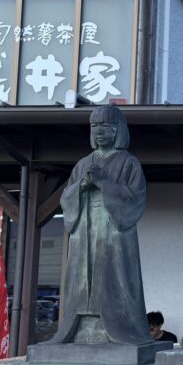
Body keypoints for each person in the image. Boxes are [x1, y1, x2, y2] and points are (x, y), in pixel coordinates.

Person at [50, 105, 152, 346]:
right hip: (84, 228)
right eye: (94, 126)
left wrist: (103, 183)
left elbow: (136, 198)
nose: (99, 131)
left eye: (106, 126)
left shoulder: (129, 163)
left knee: (114, 275)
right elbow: (66, 198)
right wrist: (82, 187)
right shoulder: (83, 163)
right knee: (80, 276)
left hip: (113, 231)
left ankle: (121, 327)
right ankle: (77, 327)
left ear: (118, 130)